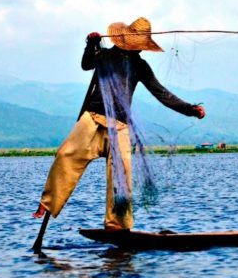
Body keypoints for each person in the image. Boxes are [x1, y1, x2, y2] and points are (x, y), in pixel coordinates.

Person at [33, 17, 205, 230]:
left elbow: (161, 93)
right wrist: (91, 44)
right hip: (93, 120)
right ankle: (48, 203)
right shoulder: (104, 56)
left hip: (120, 126)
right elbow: (86, 64)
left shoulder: (140, 66)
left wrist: (190, 109)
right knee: (66, 155)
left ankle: (118, 225)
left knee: (122, 178)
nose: (140, 50)